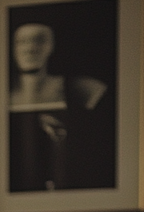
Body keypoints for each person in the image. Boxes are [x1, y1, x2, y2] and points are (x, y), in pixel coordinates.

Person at [8, 21, 114, 193]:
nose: (30, 49)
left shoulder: (80, 88)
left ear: (51, 46)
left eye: (39, 41)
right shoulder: (2, 95)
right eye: (22, 42)